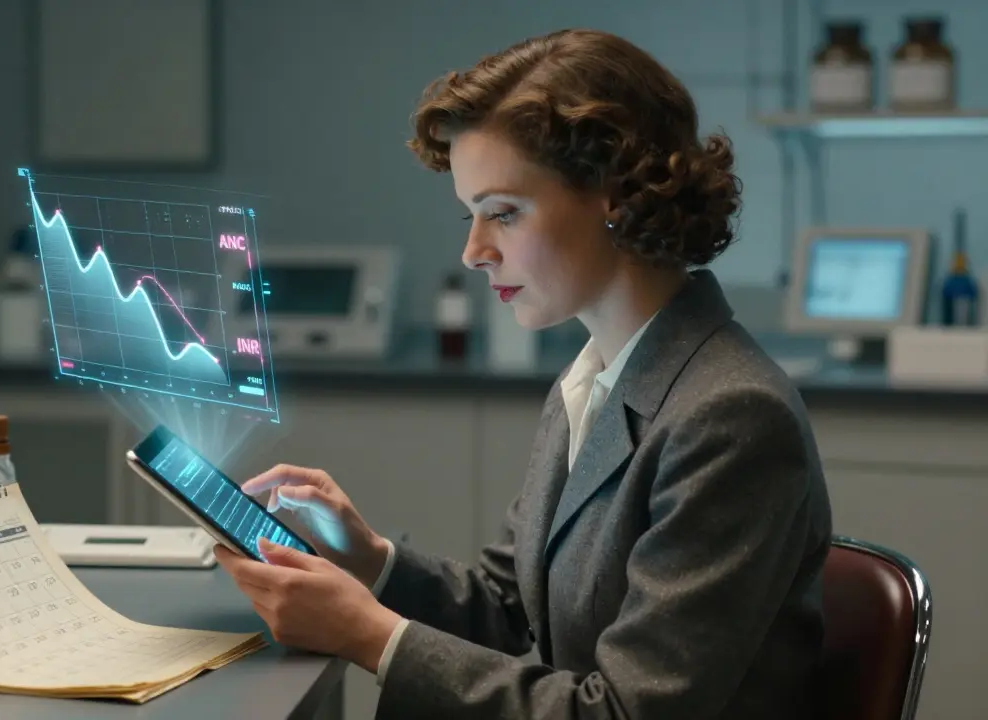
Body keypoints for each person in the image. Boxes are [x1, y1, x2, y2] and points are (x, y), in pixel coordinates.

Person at [214, 28, 833, 720]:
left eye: (502, 214)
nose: (474, 251)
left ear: (615, 194)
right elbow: (515, 609)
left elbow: (624, 712)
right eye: (471, 215)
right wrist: (373, 564)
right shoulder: (592, 378)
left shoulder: (732, 415)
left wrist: (369, 633)